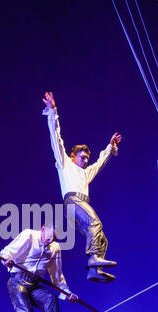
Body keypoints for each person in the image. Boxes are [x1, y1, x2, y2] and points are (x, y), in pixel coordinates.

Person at [42, 91, 122, 283]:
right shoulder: (65, 164)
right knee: (95, 224)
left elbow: (100, 162)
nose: (86, 161)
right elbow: (56, 139)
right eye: (82, 157)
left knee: (100, 236)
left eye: (87, 158)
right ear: (72, 156)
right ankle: (94, 259)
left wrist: (110, 147)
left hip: (79, 205)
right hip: (73, 201)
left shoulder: (86, 173)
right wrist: (53, 112)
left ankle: (94, 270)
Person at [0, 225, 78, 312]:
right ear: (42, 229)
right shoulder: (29, 235)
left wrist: (67, 294)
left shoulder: (55, 248)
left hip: (34, 284)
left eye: (53, 240)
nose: (49, 242)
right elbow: (7, 251)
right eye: (48, 238)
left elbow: (57, 275)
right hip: (18, 281)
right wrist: (7, 259)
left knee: (50, 298)